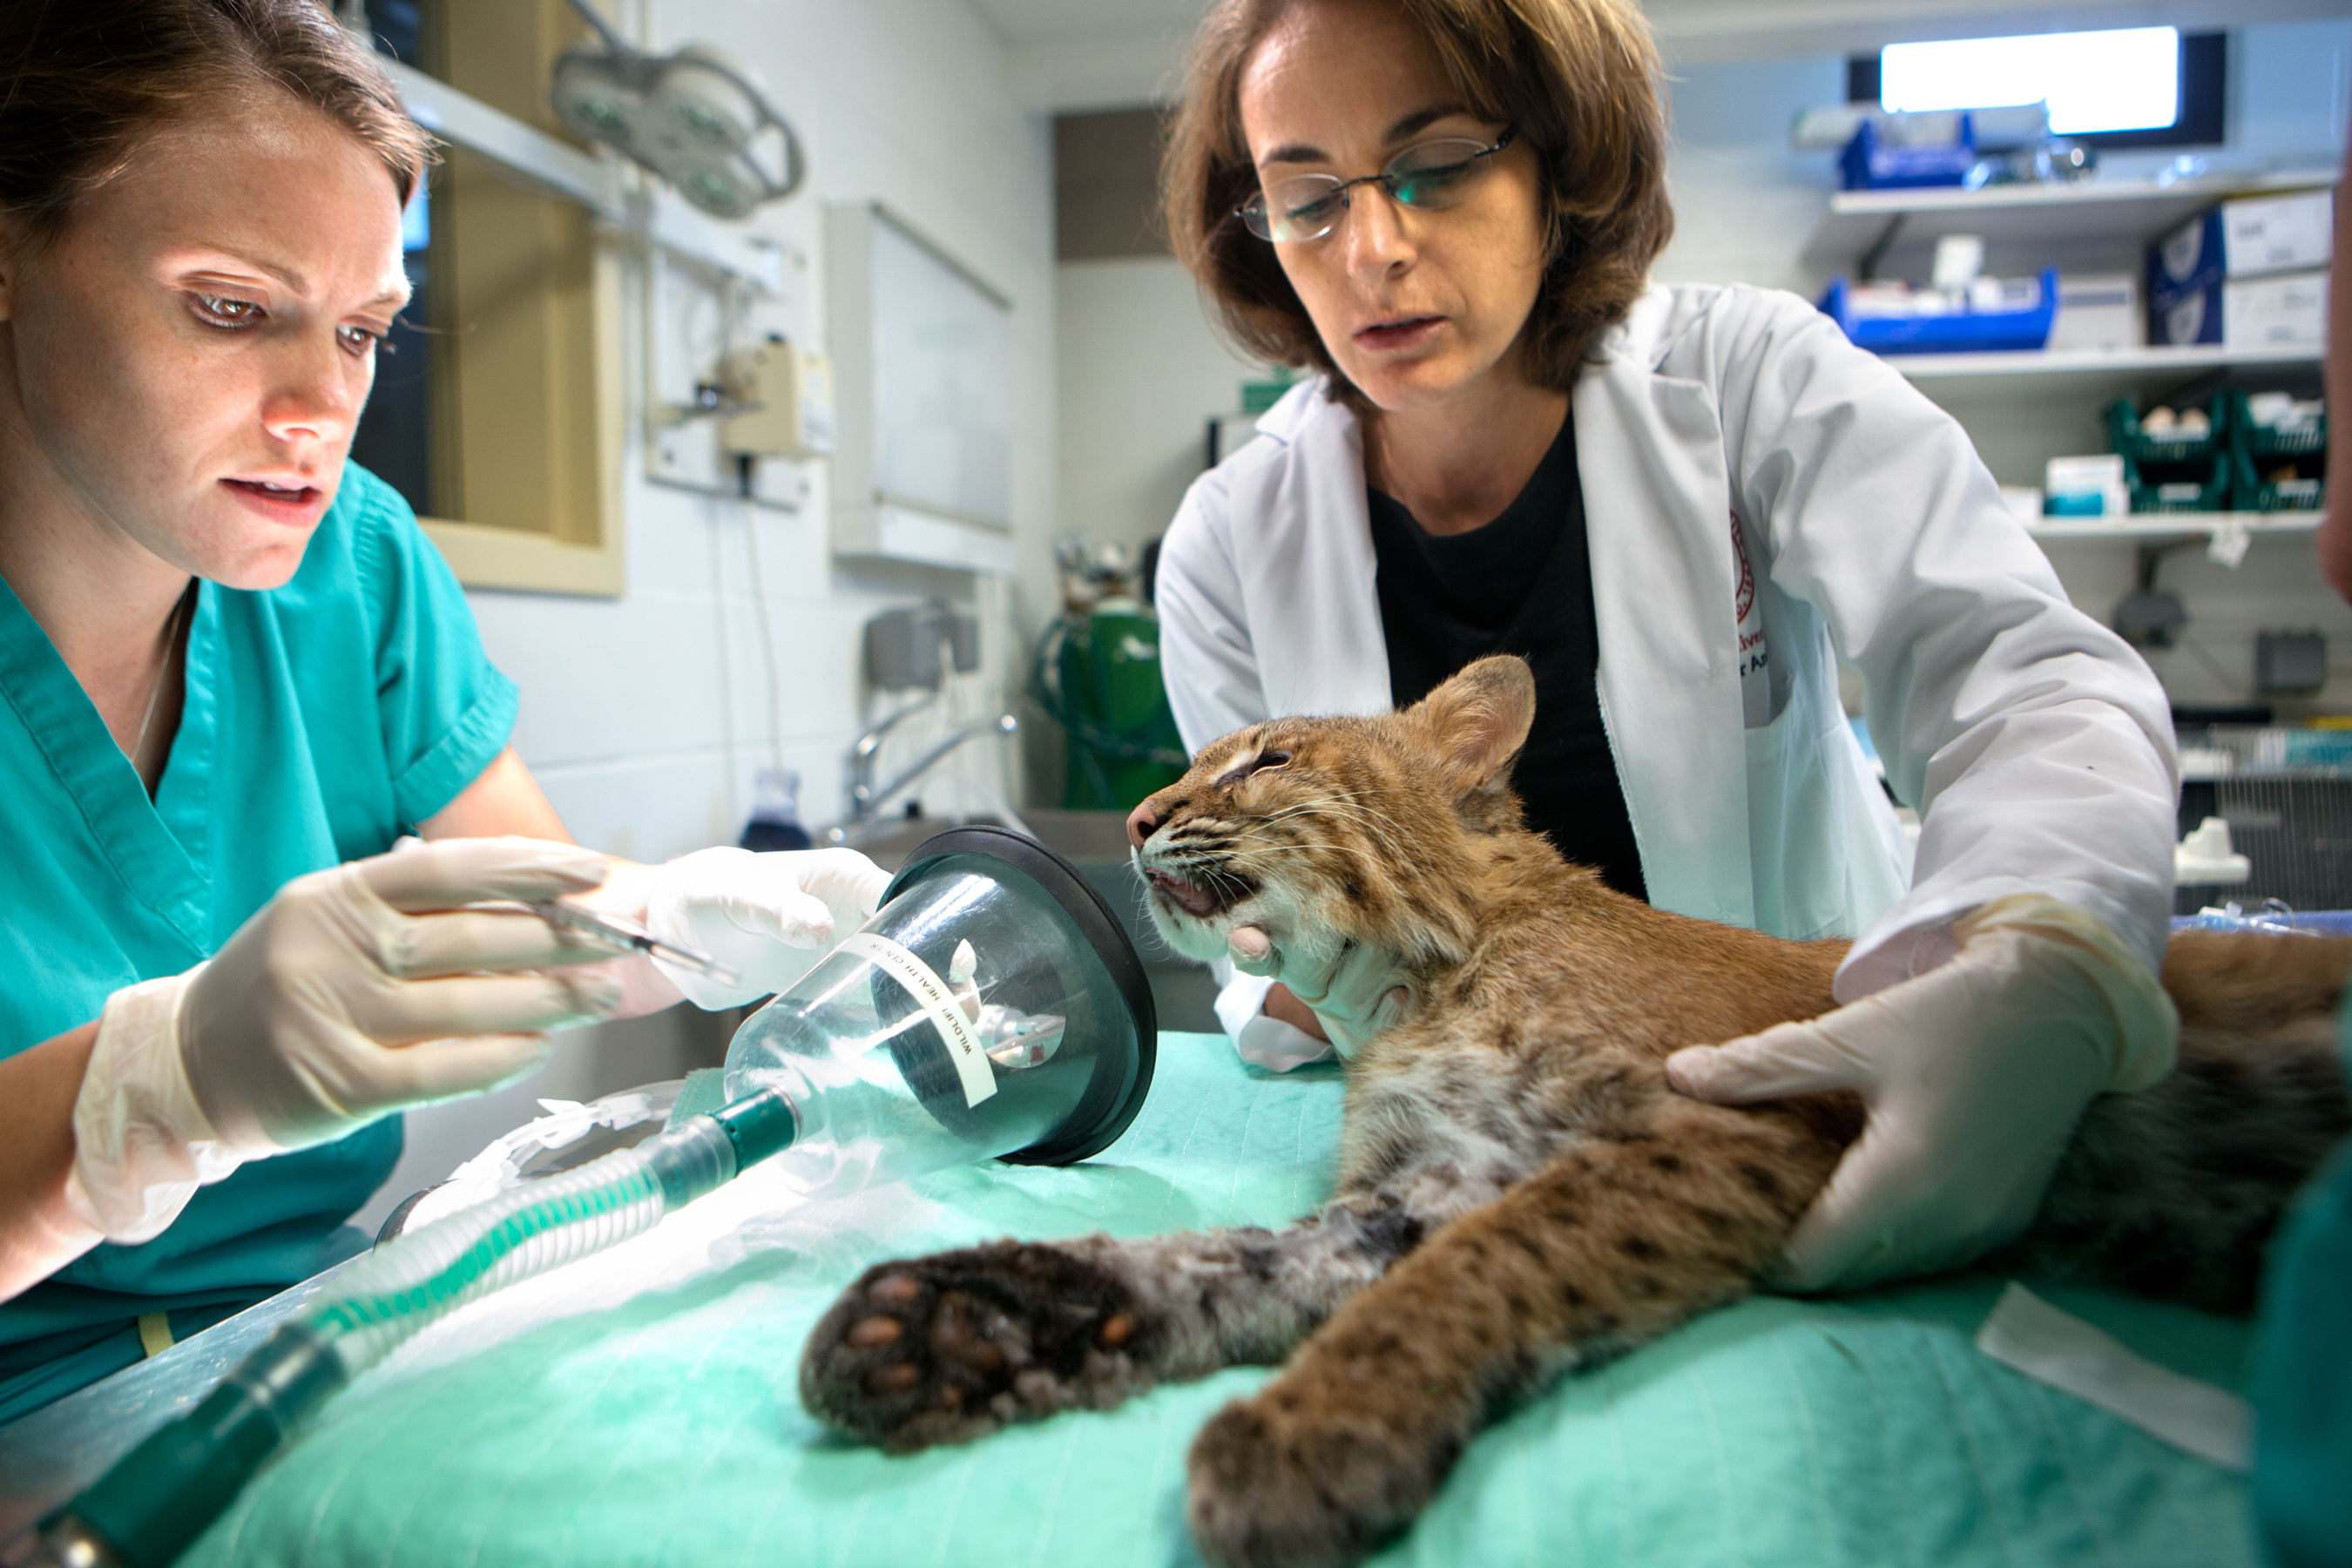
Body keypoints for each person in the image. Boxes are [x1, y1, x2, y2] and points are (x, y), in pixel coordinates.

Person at [1152, 0, 2180, 1292]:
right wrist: (1291, 959)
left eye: (1440, 164)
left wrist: (2049, 956)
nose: (1373, 248)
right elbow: (1251, 913)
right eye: (1306, 199)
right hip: (1484, 1123)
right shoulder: (1228, 539)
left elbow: (2021, 676)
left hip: (1818, 1071)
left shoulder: (1751, 382)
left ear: (1558, 163)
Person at [0, 0, 885, 1424]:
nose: (318, 408)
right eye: (230, 309)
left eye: (362, 332)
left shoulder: (358, 566)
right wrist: (153, 1089)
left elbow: (549, 917)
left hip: (304, 1334)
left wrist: (665, 920)